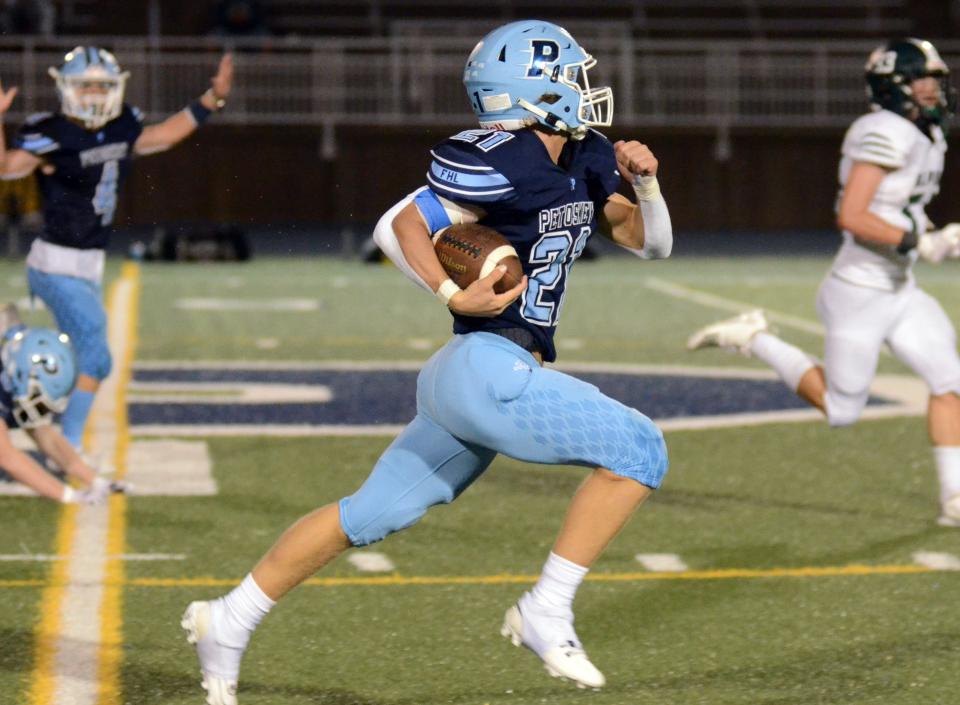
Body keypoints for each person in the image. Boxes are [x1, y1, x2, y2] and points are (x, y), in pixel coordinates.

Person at [181, 19, 674, 704]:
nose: (582, 86)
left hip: (470, 375)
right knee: (639, 449)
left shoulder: (585, 155)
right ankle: (546, 609)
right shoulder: (499, 157)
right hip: (485, 369)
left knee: (368, 515)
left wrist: (645, 186)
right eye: (568, 74)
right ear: (530, 91)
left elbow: (650, 244)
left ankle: (228, 618)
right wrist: (450, 292)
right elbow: (399, 222)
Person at [688, 38, 960, 527]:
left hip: (900, 287)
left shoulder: (927, 135)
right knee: (840, 410)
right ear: (894, 87)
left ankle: (954, 499)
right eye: (924, 79)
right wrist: (921, 242)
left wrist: (931, 238)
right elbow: (854, 216)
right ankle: (754, 338)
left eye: (936, 80)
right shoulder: (883, 130)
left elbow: (900, 211)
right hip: (859, 291)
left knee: (950, 382)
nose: (933, 89)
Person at [0, 46, 233, 455]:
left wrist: (210, 100)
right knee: (96, 356)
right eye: (85, 85)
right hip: (54, 262)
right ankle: (68, 448)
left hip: (87, 264)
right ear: (67, 88)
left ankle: (10, 362)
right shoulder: (52, 131)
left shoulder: (124, 124)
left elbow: (162, 136)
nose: (93, 93)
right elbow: (6, 167)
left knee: (72, 357)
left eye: (101, 85)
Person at [0, 304, 118, 504]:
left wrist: (93, 481)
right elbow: (8, 458)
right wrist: (68, 495)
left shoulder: (13, 370)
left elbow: (44, 433)